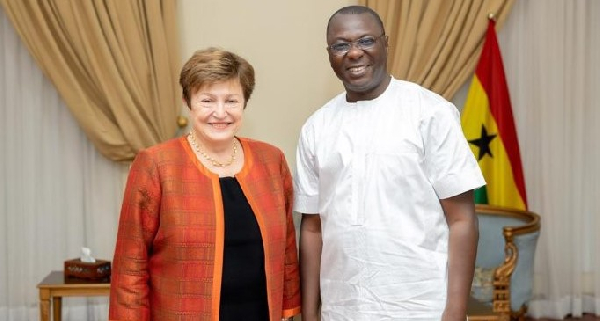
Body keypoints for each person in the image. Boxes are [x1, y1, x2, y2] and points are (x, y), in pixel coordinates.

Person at [294, 6, 486, 321]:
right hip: (342, 308)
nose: (354, 53)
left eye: (365, 40)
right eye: (341, 45)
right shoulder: (316, 127)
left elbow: (462, 220)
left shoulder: (430, 113)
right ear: (330, 54)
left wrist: (455, 311)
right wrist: (310, 313)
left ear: (386, 44)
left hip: (422, 306)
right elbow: (312, 228)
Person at [109, 48, 300, 321]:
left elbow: (287, 251)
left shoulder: (272, 161)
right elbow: (131, 266)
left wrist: (288, 311)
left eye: (231, 100)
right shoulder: (156, 164)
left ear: (244, 102)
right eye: (208, 100)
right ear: (188, 101)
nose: (220, 113)